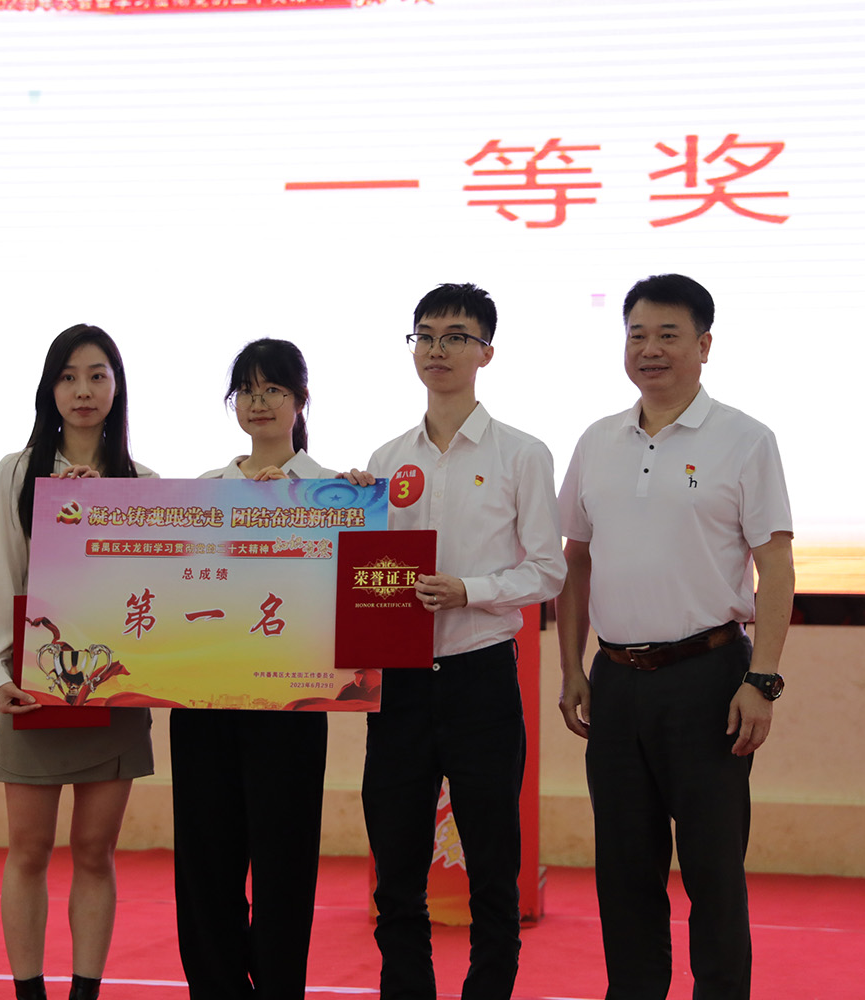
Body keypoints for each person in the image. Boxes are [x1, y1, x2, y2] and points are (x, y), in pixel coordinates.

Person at [555, 274, 794, 1000]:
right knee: (625, 871)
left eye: (668, 335)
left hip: (709, 680)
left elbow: (776, 565)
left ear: (704, 345)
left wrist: (762, 680)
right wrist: (573, 668)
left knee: (712, 871)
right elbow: (576, 561)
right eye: (637, 335)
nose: (649, 349)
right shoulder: (597, 441)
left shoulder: (744, 439)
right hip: (616, 681)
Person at [343, 284, 565, 1000]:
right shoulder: (384, 458)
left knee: (494, 870)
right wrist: (347, 512)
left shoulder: (521, 454)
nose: (437, 350)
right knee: (396, 873)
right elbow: (366, 575)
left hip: (480, 679)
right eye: (425, 336)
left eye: (456, 336)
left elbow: (548, 570)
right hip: (401, 685)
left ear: (485, 352)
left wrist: (469, 589)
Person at [0, 323, 157, 1000]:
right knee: (28, 849)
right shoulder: (18, 472)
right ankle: (29, 992)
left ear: (117, 387)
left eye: (97, 376)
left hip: (111, 691)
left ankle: (86, 992)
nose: (83, 390)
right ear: (49, 389)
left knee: (94, 852)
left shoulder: (142, 484)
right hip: (34, 686)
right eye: (68, 376)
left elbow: (150, 598)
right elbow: (2, 572)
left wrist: (106, 508)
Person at [171, 338, 332, 1000]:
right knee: (205, 867)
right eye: (247, 390)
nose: (259, 403)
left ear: (301, 401)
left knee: (284, 867)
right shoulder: (203, 492)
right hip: (204, 707)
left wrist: (316, 505)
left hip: (291, 710)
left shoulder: (337, 491)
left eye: (274, 390)